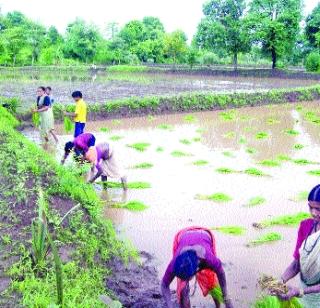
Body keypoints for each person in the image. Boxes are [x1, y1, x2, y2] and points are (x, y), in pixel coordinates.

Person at [161, 227, 233, 308]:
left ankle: (218, 306)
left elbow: (221, 273)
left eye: (188, 277)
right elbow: (164, 285)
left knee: (211, 280)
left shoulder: (209, 259)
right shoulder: (175, 264)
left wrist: (226, 296)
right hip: (183, 235)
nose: (187, 280)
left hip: (204, 235)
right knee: (182, 288)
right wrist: (169, 305)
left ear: (196, 269)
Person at [277, 184, 320, 307]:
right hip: (303, 293)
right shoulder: (305, 226)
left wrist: (300, 291)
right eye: (311, 207)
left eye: (318, 209)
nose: (314, 213)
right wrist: (281, 281)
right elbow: (297, 264)